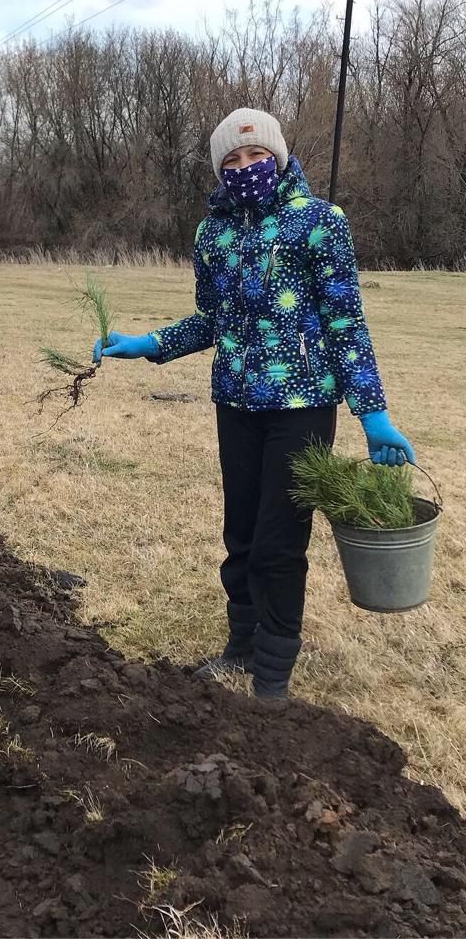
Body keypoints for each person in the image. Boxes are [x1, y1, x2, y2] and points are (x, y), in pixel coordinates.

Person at [93, 108, 415, 700]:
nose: (245, 168)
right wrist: (150, 344)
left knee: (278, 542)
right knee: (240, 533)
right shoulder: (212, 232)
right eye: (231, 161)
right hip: (236, 404)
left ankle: (272, 676)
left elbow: (345, 323)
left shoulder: (321, 223)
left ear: (280, 157)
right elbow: (214, 319)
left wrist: (373, 416)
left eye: (256, 156)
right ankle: (240, 647)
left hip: (302, 405)